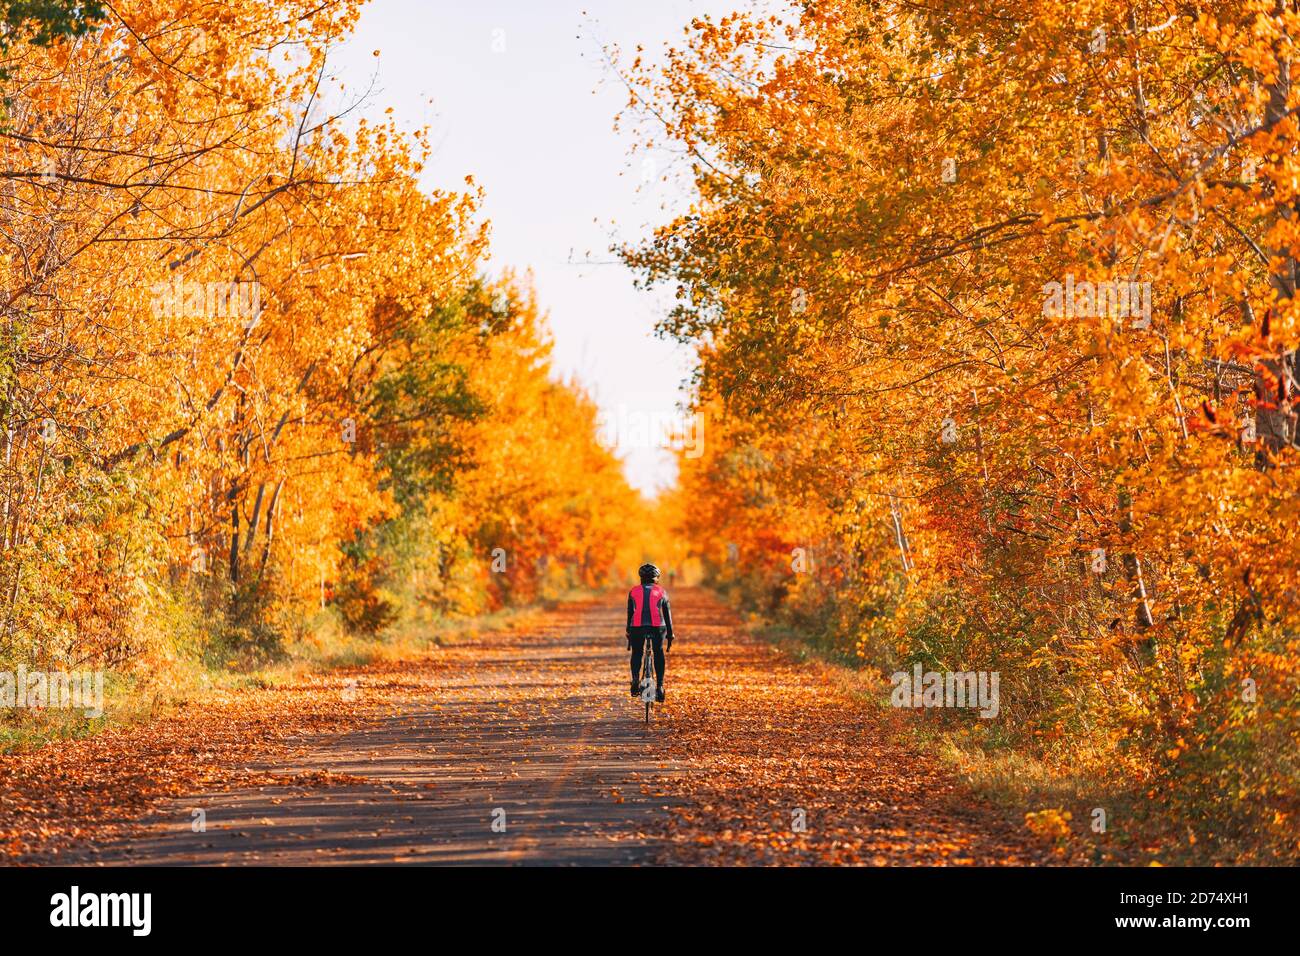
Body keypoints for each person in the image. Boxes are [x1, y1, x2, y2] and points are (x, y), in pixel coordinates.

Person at [627, 562, 673, 702]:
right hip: (657, 627)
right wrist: (670, 634)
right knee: (658, 651)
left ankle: (635, 679)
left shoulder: (633, 591)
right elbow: (667, 615)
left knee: (637, 652)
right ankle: (659, 686)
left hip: (637, 627)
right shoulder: (662, 592)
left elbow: (630, 613)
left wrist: (628, 631)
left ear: (641, 577)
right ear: (656, 578)